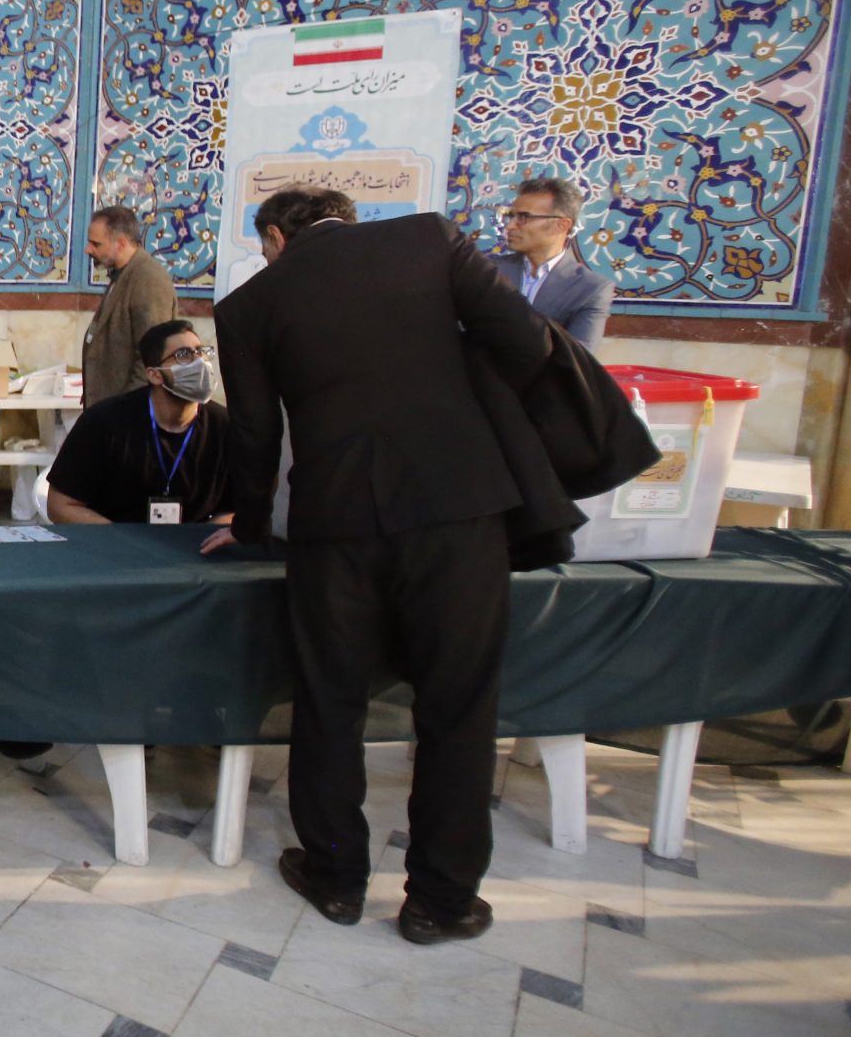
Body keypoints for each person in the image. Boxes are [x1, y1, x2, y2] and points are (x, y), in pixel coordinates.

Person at [204, 187, 552, 946]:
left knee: (331, 701)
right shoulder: (431, 240)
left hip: (336, 525)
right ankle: (441, 900)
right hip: (459, 511)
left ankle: (335, 876)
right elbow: (529, 345)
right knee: (458, 707)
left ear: (276, 236)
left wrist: (252, 523)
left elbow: (255, 436)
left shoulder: (249, 305)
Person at [44, 319, 232, 527]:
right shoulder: (104, 422)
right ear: (155, 375)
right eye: (183, 355)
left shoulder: (225, 426)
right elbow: (60, 505)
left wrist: (203, 539)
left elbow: (237, 510)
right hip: (114, 540)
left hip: (193, 544)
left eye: (201, 352)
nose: (199, 362)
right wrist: (120, 539)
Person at [491, 175, 613, 349]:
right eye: (510, 216)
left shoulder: (591, 289)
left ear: (561, 225)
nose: (510, 226)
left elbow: (579, 356)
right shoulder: (489, 272)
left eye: (523, 217)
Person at [80, 204, 177, 406]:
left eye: (96, 244)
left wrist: (128, 410)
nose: (88, 249)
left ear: (121, 243)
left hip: (128, 411)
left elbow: (151, 357)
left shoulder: (148, 279)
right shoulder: (123, 274)